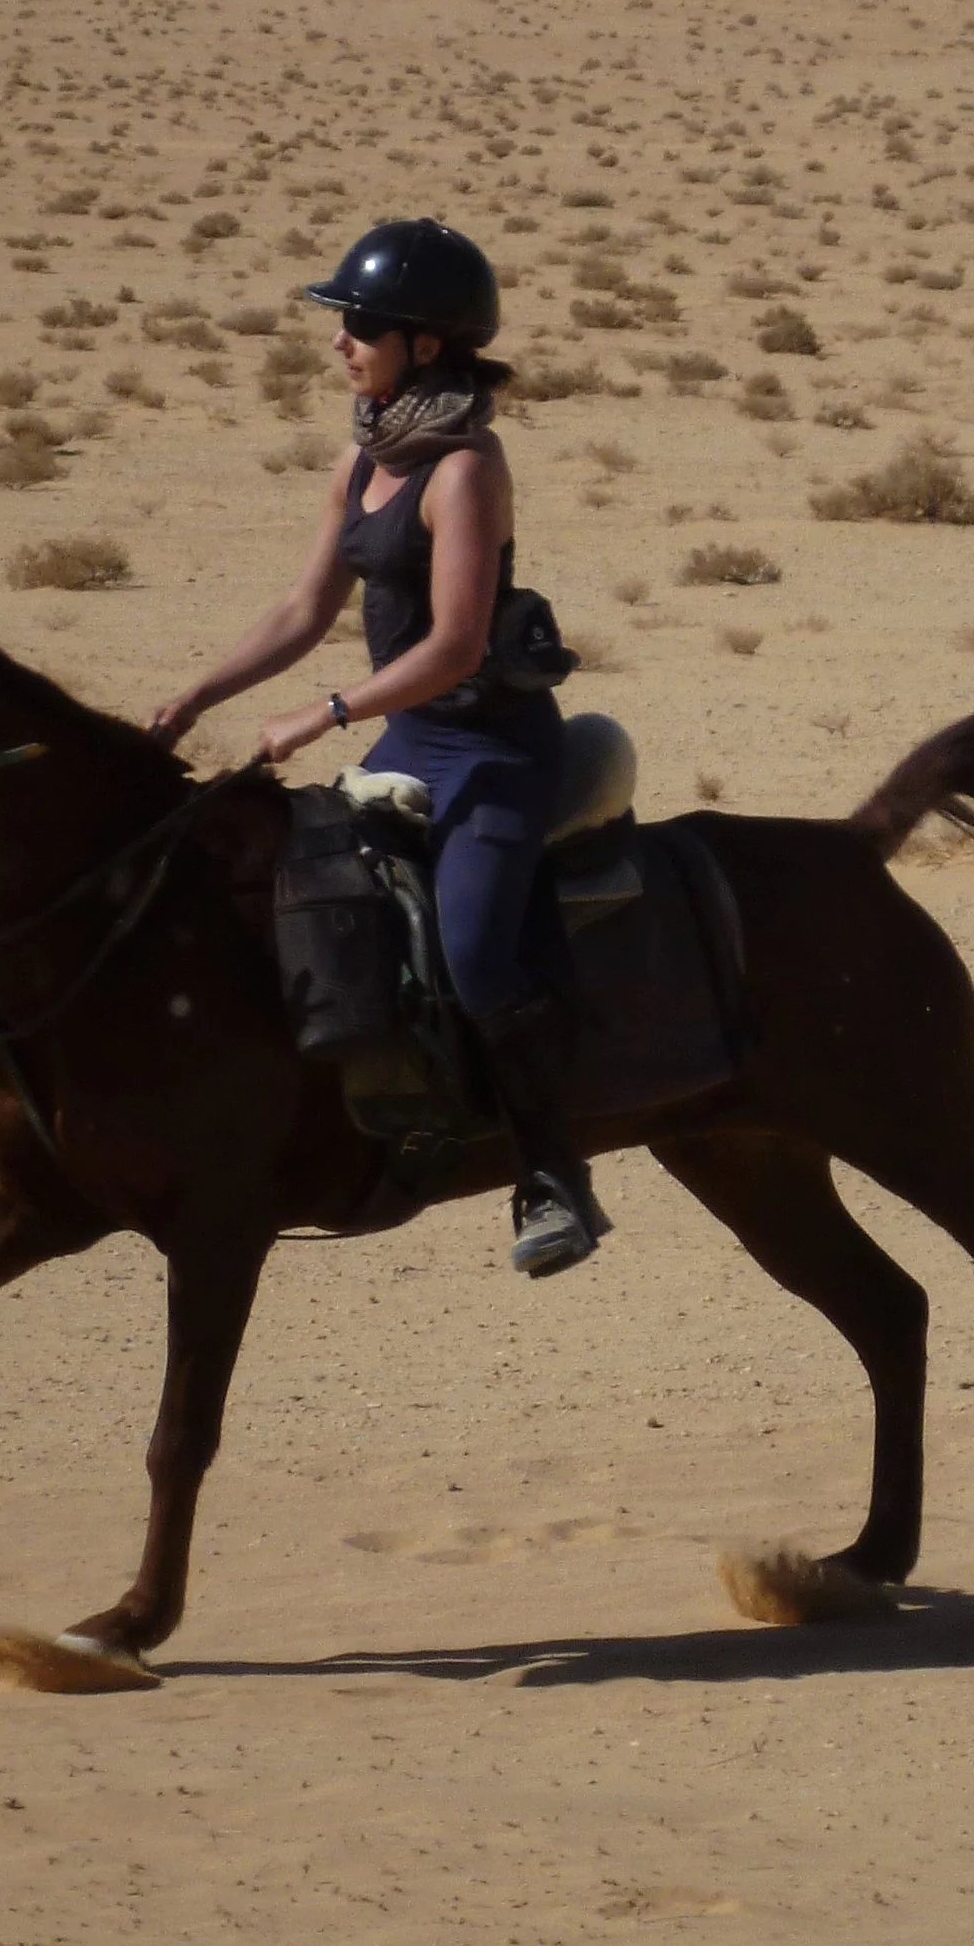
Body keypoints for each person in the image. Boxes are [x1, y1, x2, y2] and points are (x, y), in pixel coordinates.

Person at [147, 219, 611, 1279]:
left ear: (426, 344)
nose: (339, 341)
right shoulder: (365, 454)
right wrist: (198, 693)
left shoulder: (465, 470)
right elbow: (305, 607)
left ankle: (553, 1176)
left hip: (491, 754)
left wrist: (324, 714)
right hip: (407, 736)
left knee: (476, 948)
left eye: (359, 325)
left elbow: (455, 647)